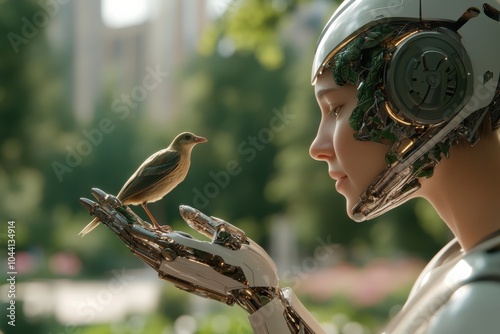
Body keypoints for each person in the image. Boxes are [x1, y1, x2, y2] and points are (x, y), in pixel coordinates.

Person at [80, 0, 500, 332]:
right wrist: (261, 296)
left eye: (335, 108)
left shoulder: (482, 301)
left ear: (421, 90)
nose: (316, 147)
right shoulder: (453, 266)